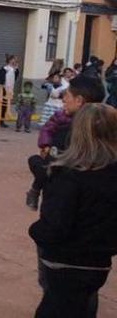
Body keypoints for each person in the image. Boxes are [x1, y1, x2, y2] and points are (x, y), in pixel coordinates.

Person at [29, 104, 117, 318]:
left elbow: (54, 227)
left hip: (64, 263)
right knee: (83, 306)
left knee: (56, 308)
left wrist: (35, 231)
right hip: (99, 263)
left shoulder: (69, 176)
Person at [26, 75, 106, 210]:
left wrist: (36, 163)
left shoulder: (66, 135)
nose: (64, 99)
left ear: (79, 100)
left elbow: (51, 173)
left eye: (67, 95)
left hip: (63, 212)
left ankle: (34, 191)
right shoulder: (107, 132)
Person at [0, 54, 20, 128]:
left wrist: (16, 69)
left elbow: (15, 78)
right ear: (10, 60)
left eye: (16, 60)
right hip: (2, 89)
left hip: (9, 90)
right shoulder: (5, 69)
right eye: (14, 59)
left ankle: (1, 120)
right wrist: (1, 90)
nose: (15, 61)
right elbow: (0, 80)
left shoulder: (13, 69)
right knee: (0, 105)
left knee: (5, 105)